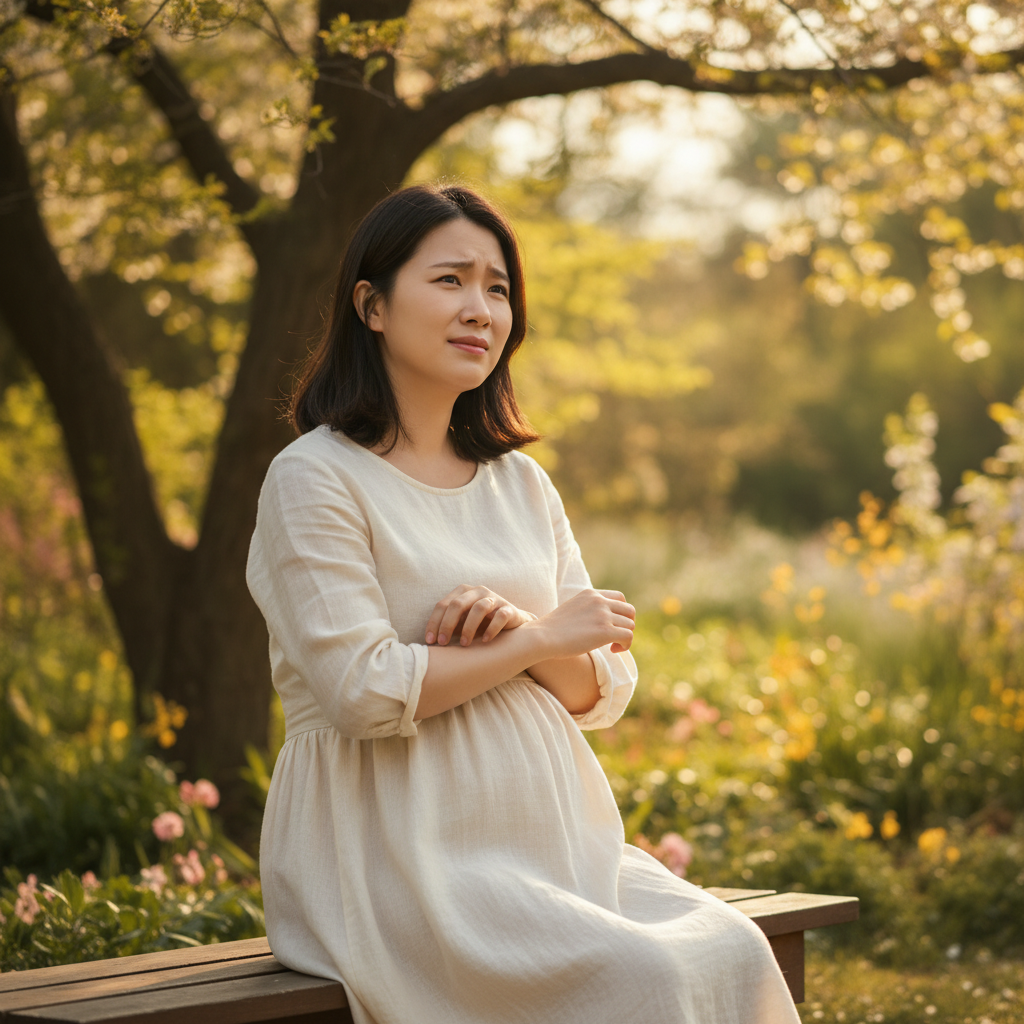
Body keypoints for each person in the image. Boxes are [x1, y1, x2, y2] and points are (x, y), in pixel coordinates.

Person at [246, 183, 800, 1024]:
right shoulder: (315, 478)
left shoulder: (520, 485)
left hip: (556, 850)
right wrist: (533, 636)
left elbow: (594, 691)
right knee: (642, 977)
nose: (481, 309)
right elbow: (361, 692)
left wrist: (530, 638)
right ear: (373, 305)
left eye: (498, 288)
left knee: (732, 948)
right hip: (394, 856)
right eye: (450, 281)